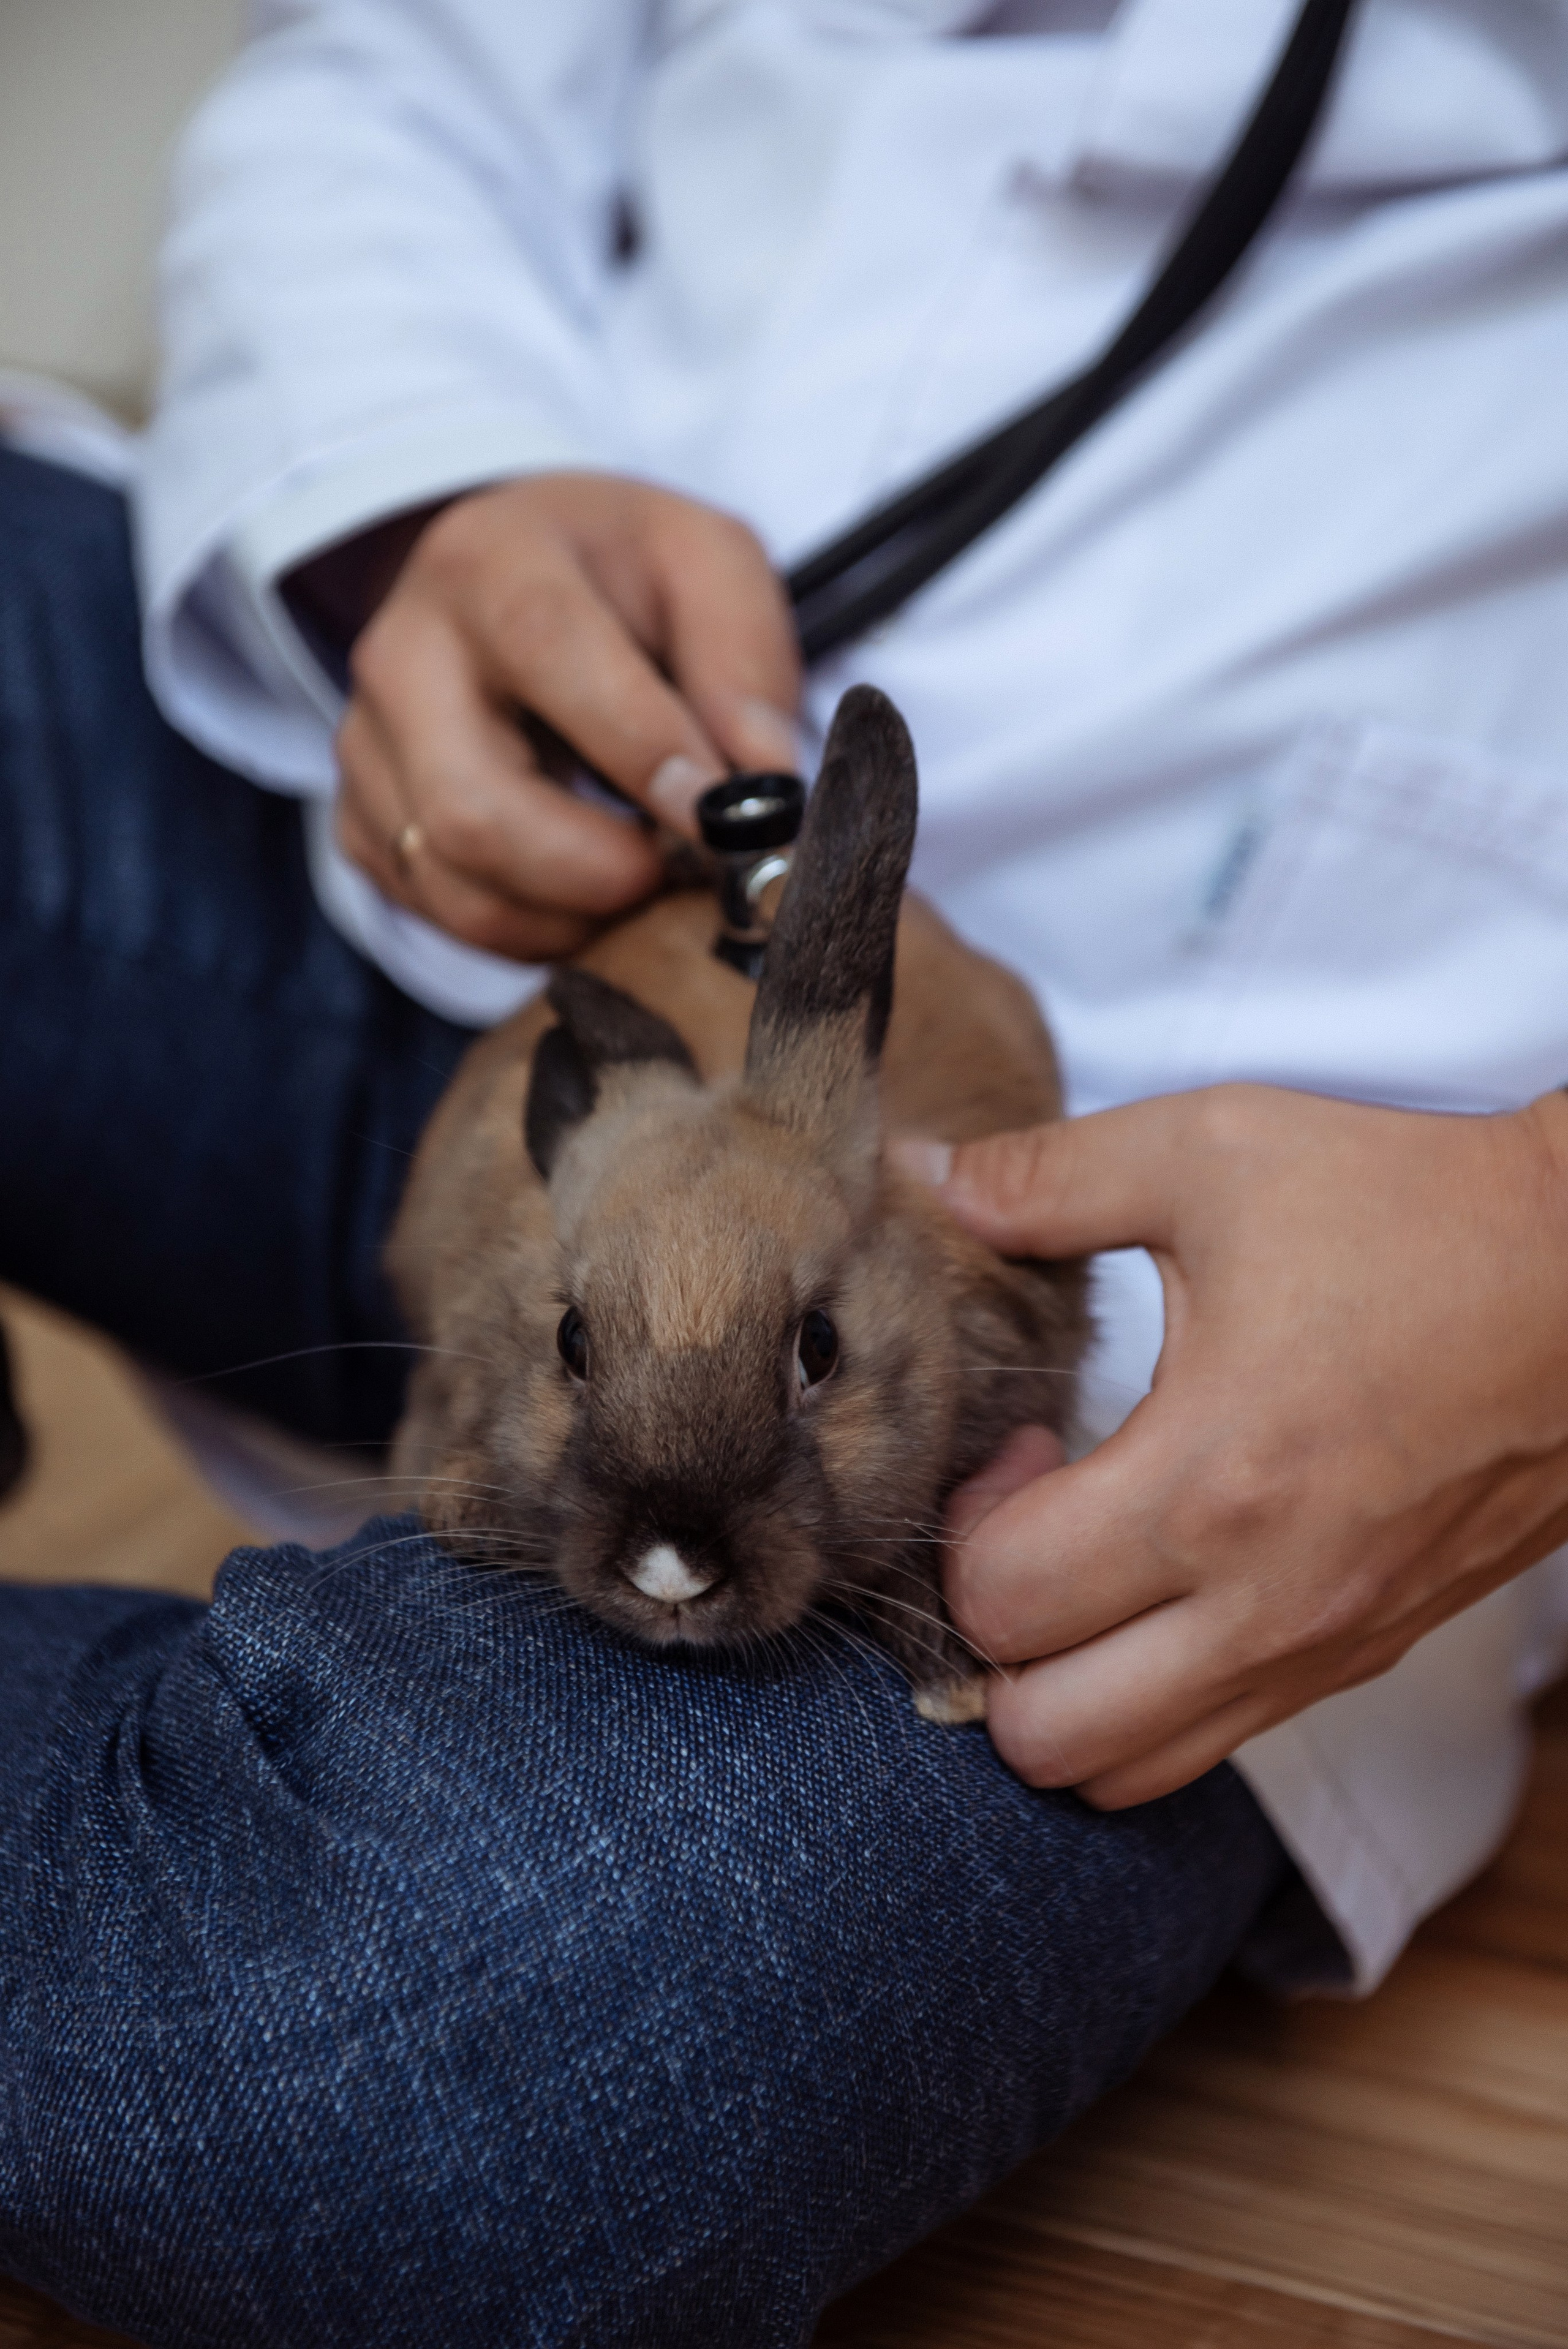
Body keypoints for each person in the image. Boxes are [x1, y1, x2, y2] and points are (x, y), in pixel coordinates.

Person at [2, 2, 1567, 2340]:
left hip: (1294, 1195)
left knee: (409, 2054)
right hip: (509, 856)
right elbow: (391, 69)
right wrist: (433, 498)